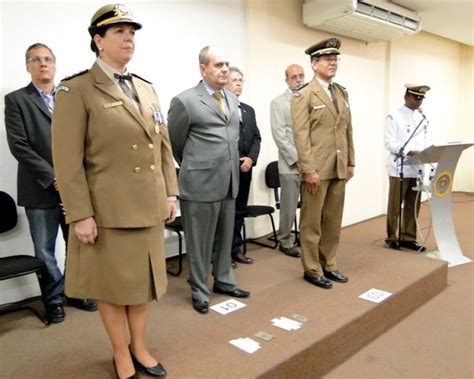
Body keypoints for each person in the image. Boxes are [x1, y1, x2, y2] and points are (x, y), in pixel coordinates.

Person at [51, 4, 178, 378]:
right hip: (109, 212)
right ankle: (121, 352)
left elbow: (163, 146)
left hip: (149, 206)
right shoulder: (77, 89)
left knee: (143, 286)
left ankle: (140, 346)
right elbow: (67, 161)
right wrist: (80, 214)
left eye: (132, 32)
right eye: (119, 32)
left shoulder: (146, 87)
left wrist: (170, 193)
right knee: (113, 288)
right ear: (98, 40)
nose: (128, 38)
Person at [4, 43, 97, 324]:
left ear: (55, 65)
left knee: (78, 244)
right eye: (36, 59)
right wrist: (54, 177)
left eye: (47, 59)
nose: (43, 64)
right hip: (40, 188)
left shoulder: (71, 96)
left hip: (76, 188)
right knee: (45, 250)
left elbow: (87, 139)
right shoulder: (16, 100)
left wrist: (76, 177)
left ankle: (75, 291)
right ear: (28, 66)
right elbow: (19, 146)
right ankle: (53, 299)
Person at [168, 46, 250, 315]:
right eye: (218, 65)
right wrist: (197, 166)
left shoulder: (233, 99)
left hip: (229, 181)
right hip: (200, 183)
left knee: (226, 237)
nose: (225, 69)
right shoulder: (185, 101)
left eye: (227, 64)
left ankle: (224, 281)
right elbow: (175, 143)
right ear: (203, 69)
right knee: (200, 242)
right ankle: (200, 289)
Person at [291, 38, 355, 290]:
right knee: (312, 221)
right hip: (316, 170)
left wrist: (351, 161)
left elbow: (347, 129)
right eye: (328, 59)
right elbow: (301, 135)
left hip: (339, 167)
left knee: (332, 220)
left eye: (335, 59)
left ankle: (329, 263)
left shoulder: (341, 92)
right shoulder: (303, 94)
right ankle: (312, 268)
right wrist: (308, 169)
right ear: (314, 64)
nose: (333, 63)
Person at [384, 84, 431, 251]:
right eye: (416, 97)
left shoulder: (422, 118)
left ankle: (408, 237)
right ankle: (392, 237)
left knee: (413, 204)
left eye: (421, 98)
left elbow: (425, 140)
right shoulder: (394, 116)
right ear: (406, 97)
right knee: (395, 204)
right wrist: (407, 151)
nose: (419, 101)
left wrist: (428, 151)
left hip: (417, 167)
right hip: (400, 167)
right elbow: (389, 142)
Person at [225, 66, 261, 266]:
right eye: (234, 80)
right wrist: (238, 158)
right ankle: (220, 253)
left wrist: (250, 159)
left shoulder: (248, 110)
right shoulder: (218, 108)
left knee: (239, 211)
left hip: (246, 169)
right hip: (227, 169)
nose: (238, 83)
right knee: (225, 213)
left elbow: (256, 137)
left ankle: (234, 249)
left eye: (241, 80)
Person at [270, 64, 305, 258]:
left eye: (301, 76)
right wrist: (297, 159)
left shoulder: (309, 101)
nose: (298, 80)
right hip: (290, 165)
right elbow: (279, 135)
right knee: (289, 207)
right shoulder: (279, 103)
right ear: (287, 80)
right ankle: (285, 240)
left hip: (311, 165)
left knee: (309, 206)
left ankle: (306, 238)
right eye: (294, 77)